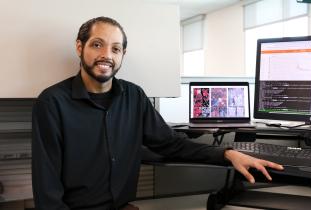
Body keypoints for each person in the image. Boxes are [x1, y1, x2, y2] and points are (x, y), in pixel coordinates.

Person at [31, 16, 283, 210]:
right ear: (79, 46)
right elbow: (47, 186)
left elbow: (171, 144)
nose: (106, 55)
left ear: (122, 54)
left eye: (116, 49)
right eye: (97, 45)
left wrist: (228, 154)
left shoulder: (134, 96)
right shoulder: (52, 102)